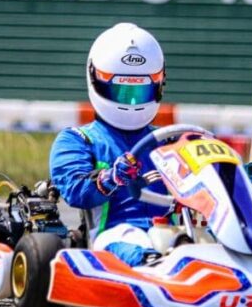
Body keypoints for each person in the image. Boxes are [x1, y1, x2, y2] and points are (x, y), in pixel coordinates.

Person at [49, 22, 170, 266]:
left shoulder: (172, 140)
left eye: (141, 91)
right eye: (122, 91)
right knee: (134, 241)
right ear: (97, 80)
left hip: (175, 234)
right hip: (113, 235)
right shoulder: (78, 140)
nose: (133, 101)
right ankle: (150, 265)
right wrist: (110, 178)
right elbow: (75, 192)